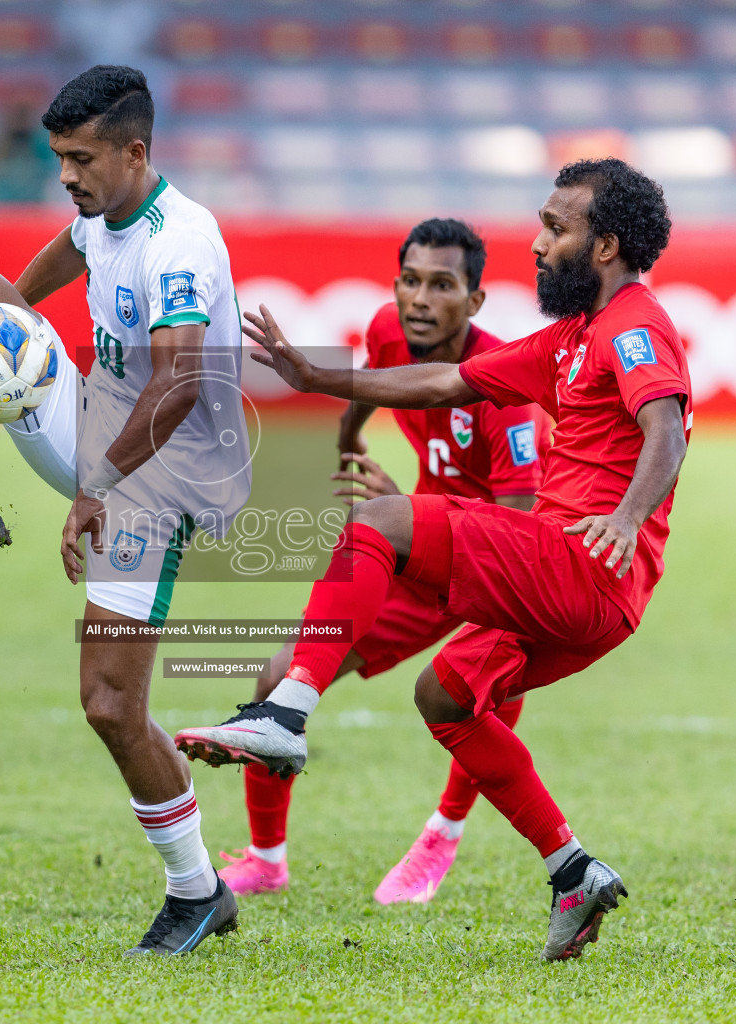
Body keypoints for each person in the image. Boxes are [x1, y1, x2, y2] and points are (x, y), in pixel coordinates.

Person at [176, 158, 692, 962]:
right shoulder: (570, 337)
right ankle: (573, 872)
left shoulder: (631, 324)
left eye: (557, 228)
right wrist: (315, 376)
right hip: (599, 599)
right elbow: (449, 379)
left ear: (605, 245)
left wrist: (626, 518)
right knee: (444, 696)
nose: (538, 241)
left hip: (583, 559)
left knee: (381, 521)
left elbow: (666, 425)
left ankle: (284, 715)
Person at [0, 66, 249, 955]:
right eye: (59, 156)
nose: (65, 175)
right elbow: (64, 257)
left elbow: (178, 386)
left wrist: (95, 488)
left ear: (136, 153)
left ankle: (198, 891)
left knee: (107, 703)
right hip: (96, 428)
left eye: (80, 158)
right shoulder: (102, 214)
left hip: (162, 468)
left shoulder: (183, 242)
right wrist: (7, 330)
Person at [215, 218, 551, 906]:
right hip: (420, 549)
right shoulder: (387, 330)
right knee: (277, 673)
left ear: (475, 301)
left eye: (443, 285)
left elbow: (520, 526)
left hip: (497, 561)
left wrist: (412, 511)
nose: (421, 298)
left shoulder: (506, 395)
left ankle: (441, 838)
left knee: (480, 687)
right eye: (411, 281)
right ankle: (265, 859)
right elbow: (371, 386)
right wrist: (343, 444)